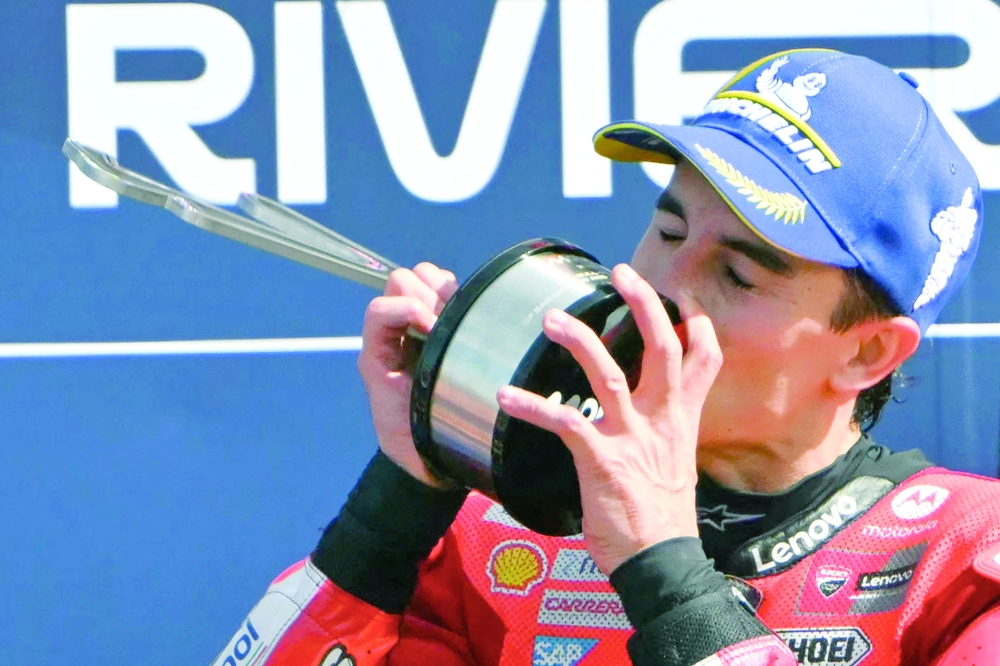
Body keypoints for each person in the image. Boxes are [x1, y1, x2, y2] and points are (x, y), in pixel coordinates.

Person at [211, 50, 1000, 666]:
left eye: (736, 274)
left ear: (866, 352)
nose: (651, 288)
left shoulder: (962, 562)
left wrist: (666, 574)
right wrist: (397, 503)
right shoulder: (500, 546)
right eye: (666, 232)